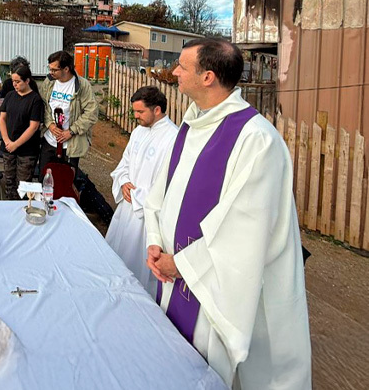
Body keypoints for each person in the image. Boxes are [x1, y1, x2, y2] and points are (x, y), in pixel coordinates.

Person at [144, 38, 311, 389]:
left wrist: (181, 265)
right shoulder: (191, 126)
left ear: (207, 77)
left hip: (213, 287)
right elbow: (163, 192)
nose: (174, 72)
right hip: (173, 274)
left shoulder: (256, 139)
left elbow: (243, 232)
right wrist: (155, 241)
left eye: (182, 67)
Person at [106, 86, 178, 298]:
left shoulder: (173, 138)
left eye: (140, 112)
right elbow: (124, 164)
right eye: (134, 111)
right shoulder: (138, 132)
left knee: (138, 272)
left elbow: (169, 185)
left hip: (146, 217)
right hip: (125, 210)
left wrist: (138, 196)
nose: (135, 116)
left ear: (157, 110)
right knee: (117, 260)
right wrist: (124, 182)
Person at [37, 50, 113, 222]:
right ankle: (47, 213)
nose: (51, 73)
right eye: (50, 69)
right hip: (50, 140)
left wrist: (71, 131)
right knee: (46, 177)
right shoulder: (49, 83)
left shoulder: (82, 86)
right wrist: (49, 124)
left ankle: (68, 217)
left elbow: (92, 113)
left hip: (71, 144)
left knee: (67, 180)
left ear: (67, 68)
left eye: (55, 70)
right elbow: (43, 107)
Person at [0, 63, 45, 200]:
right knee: (9, 182)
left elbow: (33, 126)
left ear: (27, 81)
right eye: (13, 81)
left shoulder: (35, 99)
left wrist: (16, 144)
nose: (14, 84)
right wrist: (6, 141)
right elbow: (2, 119)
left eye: (18, 82)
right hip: (8, 146)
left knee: (23, 186)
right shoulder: (10, 95)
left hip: (27, 150)